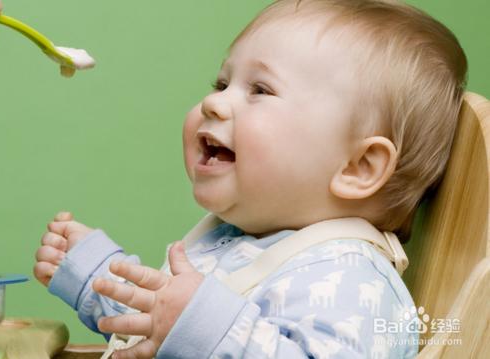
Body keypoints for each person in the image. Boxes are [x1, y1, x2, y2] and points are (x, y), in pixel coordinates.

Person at [32, 0, 468, 358]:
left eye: (260, 90)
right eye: (222, 83)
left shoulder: (353, 281)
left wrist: (200, 327)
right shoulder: (239, 242)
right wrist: (98, 277)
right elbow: (160, 331)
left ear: (358, 168)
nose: (214, 102)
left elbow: (199, 336)